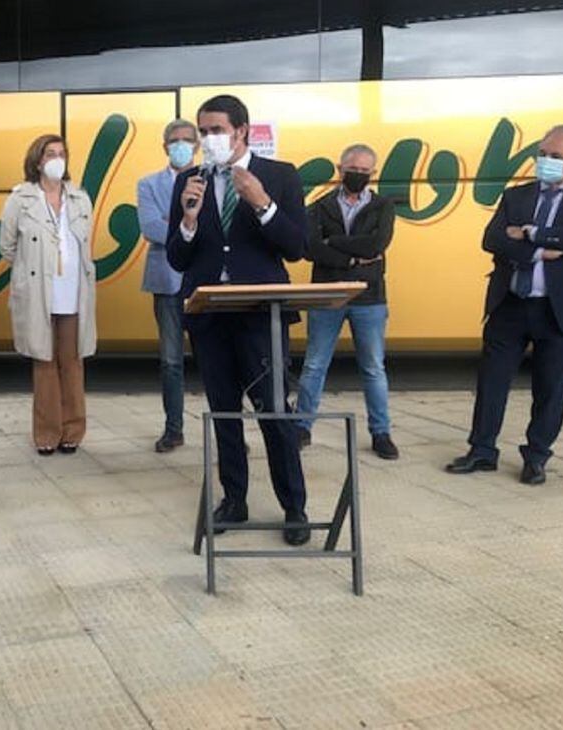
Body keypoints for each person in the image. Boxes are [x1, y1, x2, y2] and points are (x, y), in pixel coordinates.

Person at [166, 94, 310, 545]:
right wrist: (188, 219)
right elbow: (176, 256)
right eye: (202, 131)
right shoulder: (189, 180)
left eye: (216, 130)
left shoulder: (279, 176)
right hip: (210, 316)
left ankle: (295, 508)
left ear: (242, 131)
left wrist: (263, 204)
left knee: (273, 411)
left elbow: (296, 246)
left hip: (260, 316)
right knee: (224, 412)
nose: (208, 139)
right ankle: (235, 499)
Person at [448, 124, 563, 485]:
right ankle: (481, 450)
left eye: (556, 157)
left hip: (560, 310)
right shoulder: (517, 196)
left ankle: (536, 456)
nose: (546, 162)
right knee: (491, 381)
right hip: (510, 303)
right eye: (542, 154)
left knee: (551, 388)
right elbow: (492, 239)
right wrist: (548, 250)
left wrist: (530, 233)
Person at [296, 144, 399, 460]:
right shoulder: (318, 206)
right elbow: (310, 247)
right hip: (326, 295)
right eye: (352, 168)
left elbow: (378, 243)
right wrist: (356, 258)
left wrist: (335, 244)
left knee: (373, 368)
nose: (358, 174)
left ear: (373, 173)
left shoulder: (383, 206)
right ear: (340, 169)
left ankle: (381, 433)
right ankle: (302, 426)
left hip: (369, 298)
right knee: (314, 364)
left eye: (365, 171)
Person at [0, 134, 97, 455]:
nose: (57, 159)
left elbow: (85, 245)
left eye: (62, 153)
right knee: (44, 362)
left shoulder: (80, 198)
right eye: (50, 153)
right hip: (39, 293)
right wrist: (34, 270)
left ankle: (73, 431)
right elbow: (7, 246)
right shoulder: (21, 198)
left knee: (72, 362)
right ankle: (46, 433)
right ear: (38, 161)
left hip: (74, 293)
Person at [137, 119, 198, 452]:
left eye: (187, 140)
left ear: (197, 145)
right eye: (174, 140)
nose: (180, 145)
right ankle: (174, 429)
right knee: (171, 361)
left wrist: (172, 224)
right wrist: (191, 227)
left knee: (216, 360)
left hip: (206, 282)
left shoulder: (213, 179)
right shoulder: (148, 184)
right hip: (167, 282)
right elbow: (150, 228)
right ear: (164, 147)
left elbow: (216, 231)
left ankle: (224, 429)